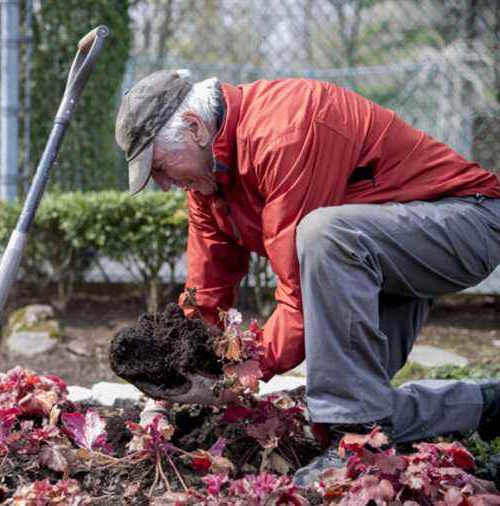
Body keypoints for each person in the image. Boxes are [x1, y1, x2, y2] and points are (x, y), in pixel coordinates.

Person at [114, 69, 500, 485]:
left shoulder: (284, 129)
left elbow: (297, 290)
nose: (166, 185)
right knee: (344, 405)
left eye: (161, 168)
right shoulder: (209, 185)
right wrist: (163, 391)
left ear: (195, 128)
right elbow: (206, 293)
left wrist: (243, 374)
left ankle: (353, 443)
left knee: (325, 236)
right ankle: (485, 405)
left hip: (463, 222)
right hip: (377, 252)